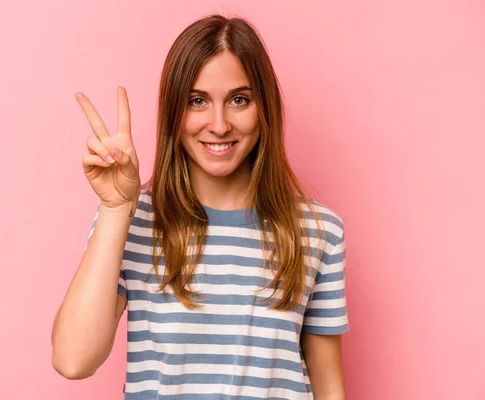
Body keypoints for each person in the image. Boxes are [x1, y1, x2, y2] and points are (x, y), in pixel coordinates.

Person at [52, 14, 349, 400]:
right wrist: (114, 209)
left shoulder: (319, 231)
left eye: (239, 100)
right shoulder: (133, 218)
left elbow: (329, 387)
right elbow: (74, 360)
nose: (220, 124)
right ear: (174, 111)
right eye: (197, 101)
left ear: (265, 108)